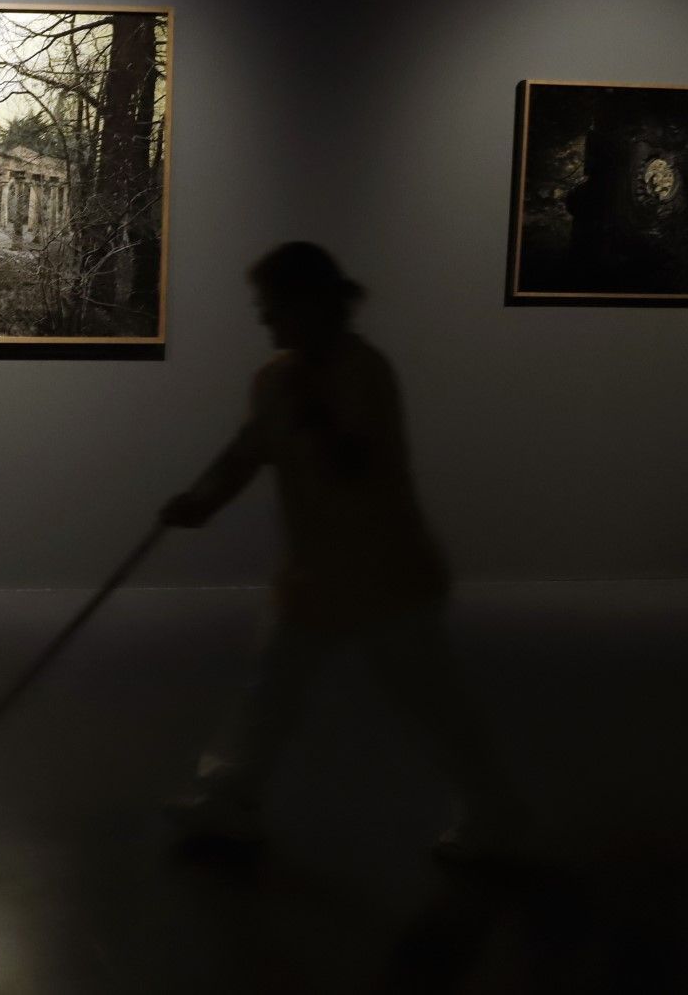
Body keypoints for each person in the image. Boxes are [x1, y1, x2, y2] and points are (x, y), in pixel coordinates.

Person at [160, 242, 528, 862]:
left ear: (311, 306)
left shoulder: (365, 373)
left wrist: (312, 410)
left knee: (433, 703)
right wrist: (198, 503)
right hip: (315, 577)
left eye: (273, 307)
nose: (264, 320)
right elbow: (246, 452)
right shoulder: (275, 379)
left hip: (387, 576)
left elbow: (357, 465)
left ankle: (497, 816)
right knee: (270, 690)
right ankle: (229, 800)